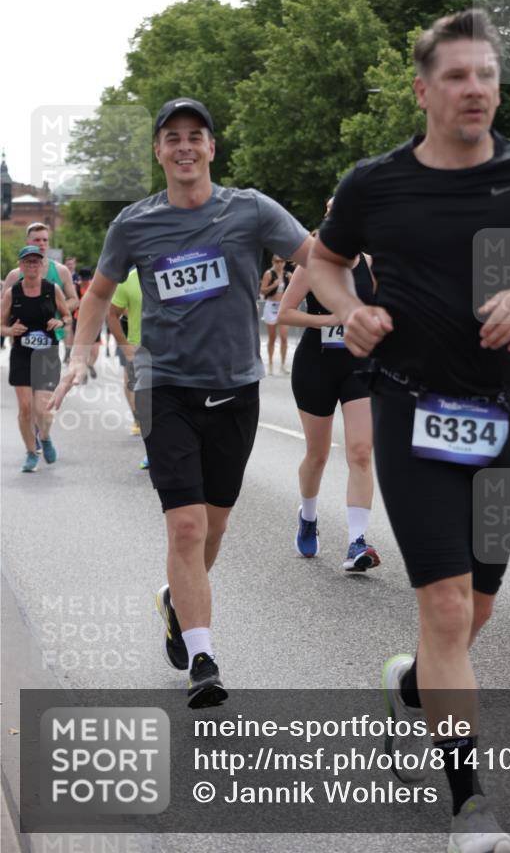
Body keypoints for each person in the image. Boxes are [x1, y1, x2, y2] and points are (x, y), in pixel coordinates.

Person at [308, 9, 510, 853]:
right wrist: (352, 309)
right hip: (408, 408)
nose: (477, 90)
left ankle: (416, 686)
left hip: (502, 414)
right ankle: (469, 806)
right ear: (423, 89)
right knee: (439, 606)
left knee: (472, 607)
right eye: (459, 76)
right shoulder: (375, 183)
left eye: (488, 75)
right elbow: (321, 258)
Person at [49, 97, 310, 709]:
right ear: (159, 151)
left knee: (214, 526)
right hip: (163, 386)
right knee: (186, 524)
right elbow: (98, 295)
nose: (185, 146)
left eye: (196, 136)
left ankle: (175, 599)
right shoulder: (134, 225)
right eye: (173, 138)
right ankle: (202, 657)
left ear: (212, 148)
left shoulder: (250, 210)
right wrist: (81, 355)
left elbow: (314, 256)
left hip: (237, 390)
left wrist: (358, 307)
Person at [277, 203, 380, 571]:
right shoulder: (313, 262)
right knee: (317, 454)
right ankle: (308, 515)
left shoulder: (370, 264)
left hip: (360, 366)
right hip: (315, 366)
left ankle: (357, 542)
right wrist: (331, 318)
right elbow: (284, 312)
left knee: (360, 452)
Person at [1, 245, 70, 471]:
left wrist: (60, 322)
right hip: (22, 354)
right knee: (26, 408)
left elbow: (67, 315)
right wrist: (10, 331)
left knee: (43, 409)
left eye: (35, 261)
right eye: (27, 261)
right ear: (21, 266)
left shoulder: (52, 289)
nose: (32, 265)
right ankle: (31, 452)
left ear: (42, 265)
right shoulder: (13, 293)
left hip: (47, 353)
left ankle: (46, 437)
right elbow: (0, 324)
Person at [3, 223, 79, 347]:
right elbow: (2, 303)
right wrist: (9, 327)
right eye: (37, 240)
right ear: (27, 242)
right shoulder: (14, 275)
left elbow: (74, 300)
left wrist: (53, 308)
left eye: (45, 240)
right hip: (21, 336)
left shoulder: (61, 271)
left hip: (50, 333)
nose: (42, 243)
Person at [107, 266, 147, 463]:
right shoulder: (128, 279)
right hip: (135, 343)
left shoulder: (170, 269)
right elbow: (111, 311)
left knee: (162, 400)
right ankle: (137, 418)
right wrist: (124, 346)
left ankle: (153, 449)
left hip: (168, 347)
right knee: (132, 385)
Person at [260, 255, 292, 374]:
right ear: (273, 262)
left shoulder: (288, 275)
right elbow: (262, 290)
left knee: (284, 337)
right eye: (277, 261)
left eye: (282, 261)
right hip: (271, 305)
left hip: (283, 307)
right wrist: (274, 284)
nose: (279, 264)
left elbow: (294, 290)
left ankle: (283, 365)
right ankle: (270, 363)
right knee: (272, 338)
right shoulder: (269, 273)